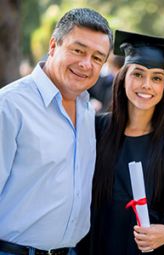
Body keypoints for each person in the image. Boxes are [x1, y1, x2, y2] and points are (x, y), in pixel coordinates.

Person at [0, 8, 113, 255]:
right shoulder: (9, 106)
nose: (86, 64)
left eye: (97, 58)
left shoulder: (86, 110)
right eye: (78, 50)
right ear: (53, 45)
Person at [78, 30, 164, 255]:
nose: (147, 85)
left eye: (156, 78)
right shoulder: (95, 130)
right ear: (123, 78)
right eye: (138, 74)